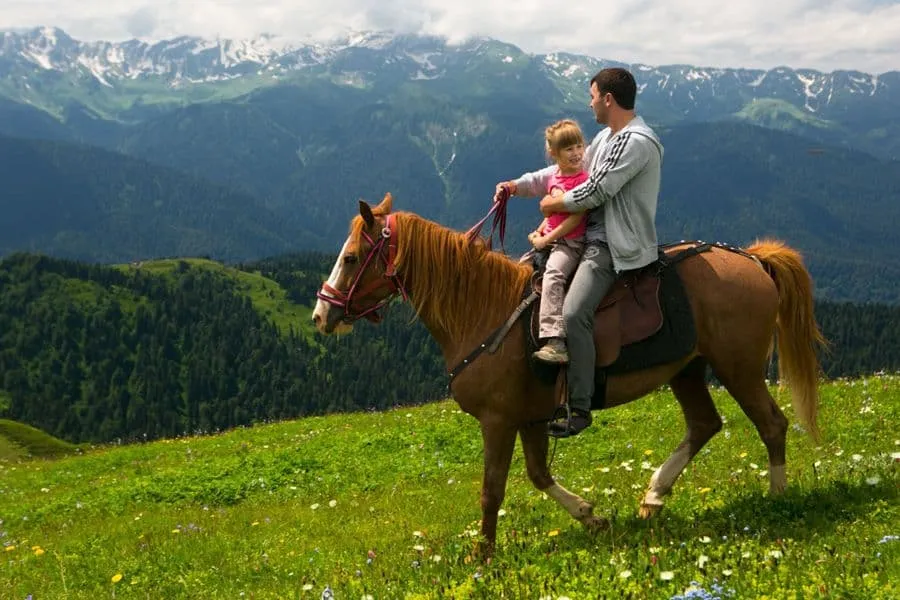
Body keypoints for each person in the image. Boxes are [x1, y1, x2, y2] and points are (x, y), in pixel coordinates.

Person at [494, 67, 664, 438]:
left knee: (574, 313)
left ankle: (580, 405)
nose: (589, 104)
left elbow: (595, 192)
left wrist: (550, 206)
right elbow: (560, 171)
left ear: (607, 98)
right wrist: (516, 186)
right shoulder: (606, 138)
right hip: (585, 234)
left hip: (610, 243)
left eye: (592, 97)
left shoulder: (634, 141)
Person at [497, 119, 590, 364]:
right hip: (549, 239)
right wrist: (539, 233)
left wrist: (545, 239)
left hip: (570, 243)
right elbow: (550, 213)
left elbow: (575, 218)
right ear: (554, 153)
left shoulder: (583, 181)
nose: (577, 153)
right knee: (518, 272)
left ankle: (555, 339)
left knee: (553, 275)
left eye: (579, 146)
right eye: (569, 149)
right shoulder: (554, 176)